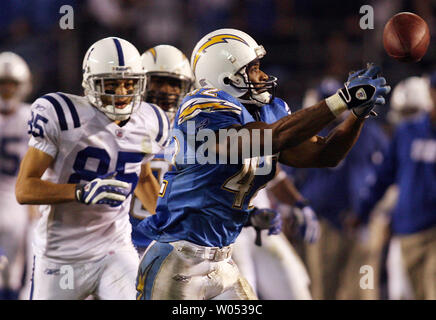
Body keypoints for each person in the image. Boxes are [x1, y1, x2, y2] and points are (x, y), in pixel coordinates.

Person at [135, 28, 390, 300]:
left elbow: (325, 154)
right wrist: (341, 100)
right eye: (253, 68)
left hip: (222, 262)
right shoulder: (202, 109)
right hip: (177, 259)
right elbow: (268, 138)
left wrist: (357, 114)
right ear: (225, 74)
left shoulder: (265, 112)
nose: (263, 76)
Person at [14, 37, 169, 300]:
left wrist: (172, 225)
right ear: (91, 82)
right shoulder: (65, 116)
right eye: (112, 83)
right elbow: (24, 189)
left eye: (129, 83)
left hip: (114, 248)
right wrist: (80, 192)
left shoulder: (150, 120)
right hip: (62, 256)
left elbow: (142, 179)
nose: (122, 93)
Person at [352, 73, 436, 300]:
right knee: (403, 293)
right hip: (407, 229)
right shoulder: (406, 133)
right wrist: (363, 211)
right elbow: (383, 177)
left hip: (429, 229)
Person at [130, 44, 195, 256]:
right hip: (122, 244)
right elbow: (142, 178)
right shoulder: (123, 126)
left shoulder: (194, 132)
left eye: (174, 84)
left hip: (173, 245)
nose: (165, 91)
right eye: (157, 81)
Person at [0, 52, 33, 300]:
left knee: (15, 273)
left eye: (12, 84)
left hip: (17, 198)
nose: (8, 90)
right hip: (17, 200)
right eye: (3, 84)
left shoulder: (29, 116)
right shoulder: (33, 116)